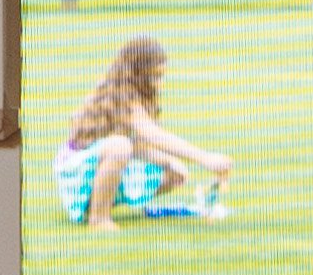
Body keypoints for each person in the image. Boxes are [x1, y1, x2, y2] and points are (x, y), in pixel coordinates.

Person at [51, 33, 234, 232]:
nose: (158, 83)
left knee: (171, 170)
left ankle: (100, 203)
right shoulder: (120, 95)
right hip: (74, 172)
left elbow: (138, 147)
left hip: (97, 164)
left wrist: (168, 162)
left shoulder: (137, 96)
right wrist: (205, 158)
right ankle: (99, 219)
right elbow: (152, 135)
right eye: (154, 76)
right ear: (137, 73)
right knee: (120, 146)